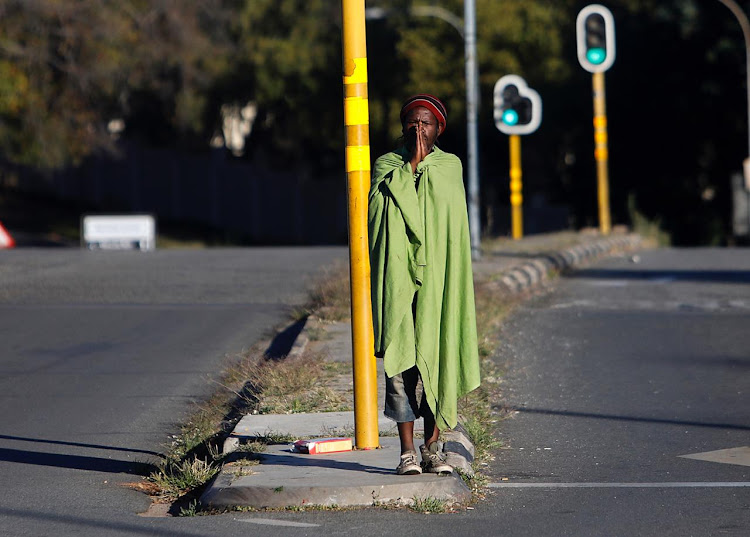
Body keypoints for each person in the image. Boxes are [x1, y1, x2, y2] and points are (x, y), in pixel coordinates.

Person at [368, 94, 481, 475]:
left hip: (438, 285)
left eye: (426, 123)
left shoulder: (451, 167)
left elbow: (452, 230)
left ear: (439, 129)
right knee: (401, 372)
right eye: (413, 123)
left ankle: (432, 447)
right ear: (404, 128)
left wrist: (423, 168)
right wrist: (412, 166)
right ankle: (405, 453)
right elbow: (377, 218)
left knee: (439, 358)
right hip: (400, 283)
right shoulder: (388, 165)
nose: (420, 129)